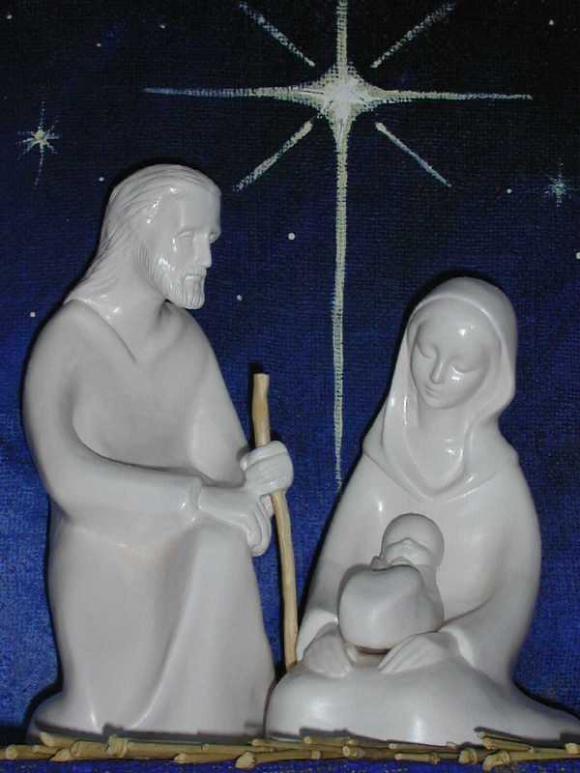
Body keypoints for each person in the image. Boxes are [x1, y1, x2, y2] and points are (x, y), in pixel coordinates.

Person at [24, 164, 293, 739]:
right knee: (212, 536)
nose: (207, 258)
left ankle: (224, 729)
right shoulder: (68, 341)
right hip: (106, 558)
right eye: (188, 238)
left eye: (210, 240)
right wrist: (196, 500)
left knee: (219, 545)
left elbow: (227, 474)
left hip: (189, 547)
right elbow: (68, 477)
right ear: (139, 235)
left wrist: (260, 478)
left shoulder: (186, 342)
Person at [266, 277, 580, 743]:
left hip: (450, 666)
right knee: (295, 703)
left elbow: (512, 594)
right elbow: (336, 565)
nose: (435, 375)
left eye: (460, 366)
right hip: (357, 655)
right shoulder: (381, 463)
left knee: (423, 709)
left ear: (492, 378)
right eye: (427, 352)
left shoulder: (498, 483)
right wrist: (326, 631)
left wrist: (451, 643)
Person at [338, 513, 444, 653]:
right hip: (364, 616)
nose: (407, 543)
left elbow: (434, 608)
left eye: (422, 545)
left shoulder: (422, 581)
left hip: (405, 617)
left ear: (434, 563)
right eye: (395, 541)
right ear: (382, 554)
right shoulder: (373, 574)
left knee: (409, 578)